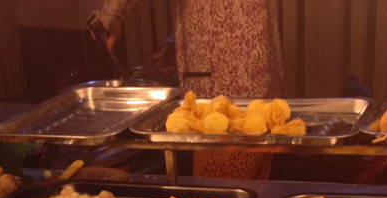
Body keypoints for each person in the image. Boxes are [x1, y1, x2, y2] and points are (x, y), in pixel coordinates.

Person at [96, 0, 286, 179]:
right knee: (253, 188)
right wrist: (182, 41)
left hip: (224, 91)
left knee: (220, 192)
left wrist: (108, 17)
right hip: (257, 81)